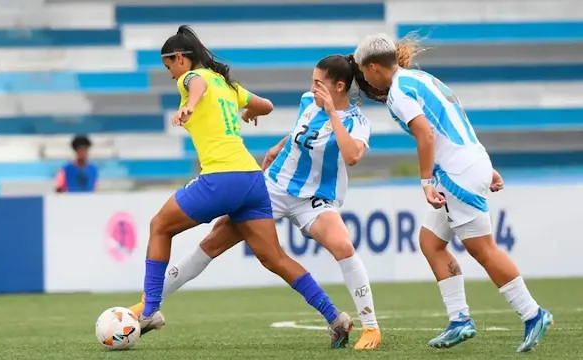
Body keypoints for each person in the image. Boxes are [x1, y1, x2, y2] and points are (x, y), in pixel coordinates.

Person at [130, 54, 389, 350]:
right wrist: (278, 146)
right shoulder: (308, 101)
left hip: (314, 199)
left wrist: (331, 112)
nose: (313, 88)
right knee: (215, 242)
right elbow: (299, 133)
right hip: (274, 187)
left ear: (340, 87)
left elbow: (352, 156)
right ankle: (146, 306)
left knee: (342, 246)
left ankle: (370, 327)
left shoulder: (356, 122)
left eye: (319, 83)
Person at [352, 33, 553, 353]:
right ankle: (460, 320)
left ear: (374, 67)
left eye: (363, 71)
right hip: (466, 164)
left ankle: (533, 314)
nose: (363, 78)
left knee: (484, 250)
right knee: (430, 242)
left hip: (456, 174)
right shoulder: (420, 78)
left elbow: (426, 135)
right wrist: (485, 166)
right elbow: (455, 118)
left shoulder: (400, 92)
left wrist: (426, 182)